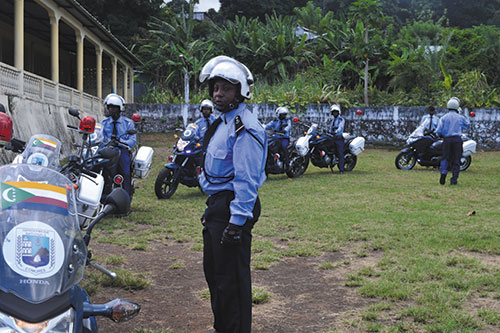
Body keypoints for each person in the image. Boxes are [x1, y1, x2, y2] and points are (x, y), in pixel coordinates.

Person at [198, 55, 267, 333]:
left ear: (240, 92)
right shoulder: (223, 122)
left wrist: (236, 223)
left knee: (233, 280)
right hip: (218, 206)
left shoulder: (245, 128)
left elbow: (247, 180)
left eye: (226, 88)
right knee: (215, 275)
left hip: (233, 209)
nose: (218, 93)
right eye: (215, 87)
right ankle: (222, 327)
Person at [101, 93, 137, 196]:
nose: (111, 110)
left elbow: (132, 140)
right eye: (110, 107)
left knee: (125, 172)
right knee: (101, 170)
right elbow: (100, 136)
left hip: (122, 150)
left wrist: (121, 143)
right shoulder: (104, 123)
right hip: (107, 151)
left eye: (114, 107)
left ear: (119, 108)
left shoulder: (128, 123)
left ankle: (126, 197)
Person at [435, 97, 470, 185]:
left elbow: (438, 130)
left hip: (447, 140)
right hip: (457, 140)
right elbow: (467, 125)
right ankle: (454, 179)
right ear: (457, 106)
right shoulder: (460, 117)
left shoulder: (443, 118)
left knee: (445, 158)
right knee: (456, 159)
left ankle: (443, 172)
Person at [265, 106, 291, 170]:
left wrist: (284, 130)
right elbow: (267, 126)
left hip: (284, 138)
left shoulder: (287, 121)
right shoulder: (275, 121)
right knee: (268, 146)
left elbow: (288, 127)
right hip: (275, 138)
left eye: (285, 114)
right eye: (282, 114)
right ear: (278, 114)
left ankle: (287, 165)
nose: (284, 116)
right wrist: (261, 127)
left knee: (284, 148)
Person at [326, 104, 345, 173]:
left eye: (336, 112)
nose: (334, 113)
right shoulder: (332, 120)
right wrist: (328, 131)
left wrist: (335, 132)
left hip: (338, 138)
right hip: (332, 137)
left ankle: (341, 169)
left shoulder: (341, 120)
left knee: (340, 153)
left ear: (338, 112)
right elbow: (330, 128)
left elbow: (340, 128)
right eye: (333, 112)